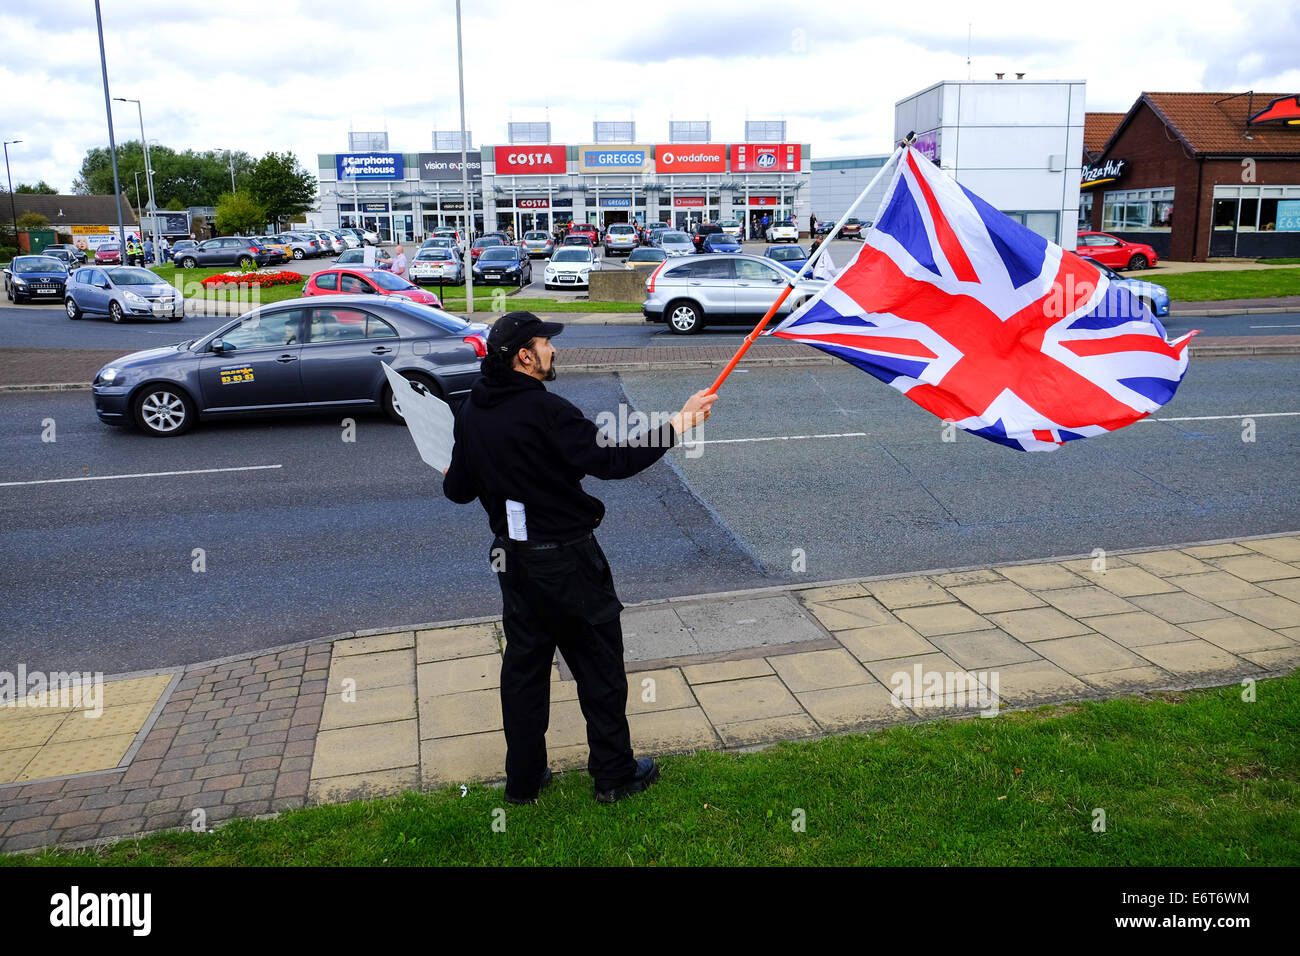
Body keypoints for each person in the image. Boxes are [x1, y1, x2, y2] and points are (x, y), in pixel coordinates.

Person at [443, 312, 716, 805]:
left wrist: (464, 461)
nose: (553, 351)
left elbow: (458, 490)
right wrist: (681, 422)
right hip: (566, 562)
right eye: (546, 343)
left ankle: (524, 781)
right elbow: (611, 462)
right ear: (524, 356)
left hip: (513, 561)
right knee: (599, 669)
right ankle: (614, 775)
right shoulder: (548, 413)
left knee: (524, 671)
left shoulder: (470, 410)